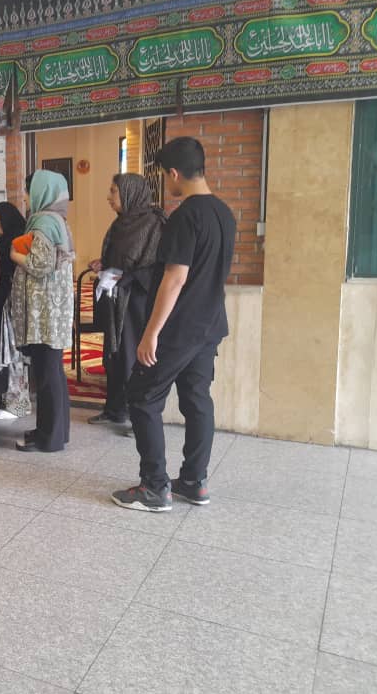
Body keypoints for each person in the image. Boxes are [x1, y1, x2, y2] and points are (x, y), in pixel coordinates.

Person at [112, 137, 236, 512]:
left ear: (174, 173)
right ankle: (195, 482)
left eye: (166, 177)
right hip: (209, 325)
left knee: (143, 397)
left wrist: (150, 333)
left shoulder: (186, 216)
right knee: (197, 400)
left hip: (179, 328)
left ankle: (154, 488)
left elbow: (175, 278)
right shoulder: (224, 213)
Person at [88, 174, 166, 426]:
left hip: (137, 303)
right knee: (114, 355)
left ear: (131, 193)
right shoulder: (120, 223)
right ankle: (115, 409)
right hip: (117, 298)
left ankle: (138, 416)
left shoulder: (153, 224)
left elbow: (157, 267)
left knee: (134, 357)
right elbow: (116, 258)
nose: (109, 197)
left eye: (113, 191)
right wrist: (104, 265)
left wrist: (127, 277)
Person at [12, 170, 75, 454]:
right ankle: (57, 431)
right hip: (53, 310)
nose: (26, 197)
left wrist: (14, 254)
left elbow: (41, 264)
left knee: (48, 375)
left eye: (28, 191)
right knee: (53, 373)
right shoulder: (58, 220)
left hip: (44, 313)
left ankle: (49, 438)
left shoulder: (44, 222)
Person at [0, 202, 29, 420]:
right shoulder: (1, 244)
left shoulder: (14, 246)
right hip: (4, 307)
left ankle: (15, 403)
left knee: (11, 354)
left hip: (13, 309)